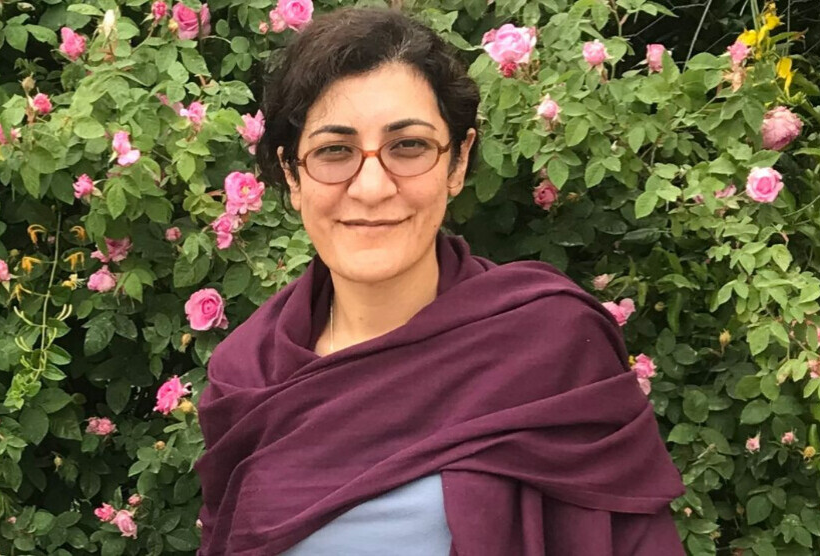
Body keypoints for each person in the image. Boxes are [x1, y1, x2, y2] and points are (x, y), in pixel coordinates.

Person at [194, 7, 686, 555]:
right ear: (292, 174)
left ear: (458, 161)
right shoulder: (248, 376)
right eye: (334, 151)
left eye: (409, 146)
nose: (372, 188)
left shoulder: (550, 344)